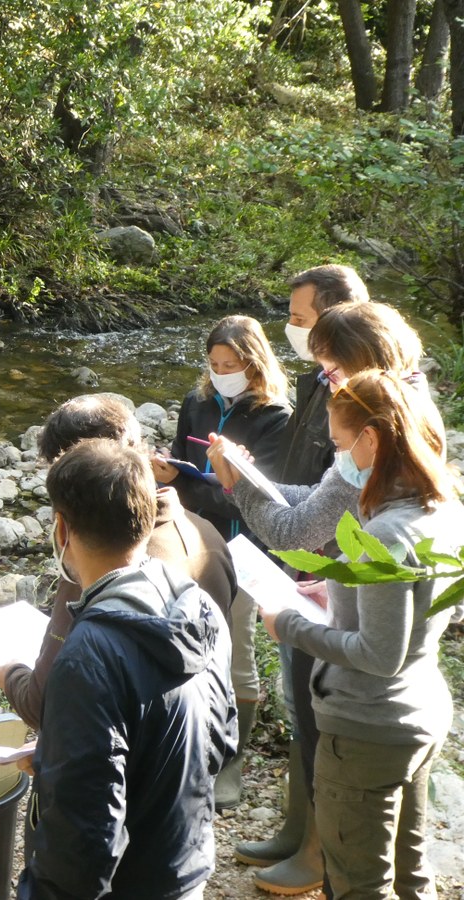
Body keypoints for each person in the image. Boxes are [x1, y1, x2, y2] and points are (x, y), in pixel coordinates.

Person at [262, 370, 464, 900]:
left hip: (369, 727)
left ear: (370, 439)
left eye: (338, 445)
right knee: (409, 873)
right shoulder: (441, 507)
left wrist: (290, 626)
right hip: (420, 714)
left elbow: (379, 654)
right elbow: (411, 607)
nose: (336, 460)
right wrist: (341, 595)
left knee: (358, 884)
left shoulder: (383, 533)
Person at [18, 439, 236, 900]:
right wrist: (57, 749)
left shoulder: (89, 655)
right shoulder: (194, 603)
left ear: (62, 529)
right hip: (183, 864)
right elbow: (221, 736)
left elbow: (85, 834)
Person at [236, 265, 368, 894]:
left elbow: (316, 515)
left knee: (320, 711)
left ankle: (318, 854)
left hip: (336, 573)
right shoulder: (324, 380)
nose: (292, 333)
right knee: (299, 702)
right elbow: (311, 486)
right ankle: (297, 828)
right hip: (308, 565)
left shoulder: (372, 406)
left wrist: (242, 492)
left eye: (300, 319)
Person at [0, 394, 236, 731]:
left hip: (126, 758)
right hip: (199, 740)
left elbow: (44, 706)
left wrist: (8, 671)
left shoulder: (97, 562)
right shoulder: (208, 535)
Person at [152, 314, 291, 810]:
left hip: (248, 544)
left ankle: (231, 761)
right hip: (195, 536)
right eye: (213, 364)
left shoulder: (276, 416)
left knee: (238, 647)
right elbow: (178, 472)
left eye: (230, 364)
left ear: (253, 363)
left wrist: (219, 481)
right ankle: (191, 739)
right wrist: (172, 473)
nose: (220, 372)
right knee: (186, 635)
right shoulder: (197, 402)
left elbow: (268, 496)